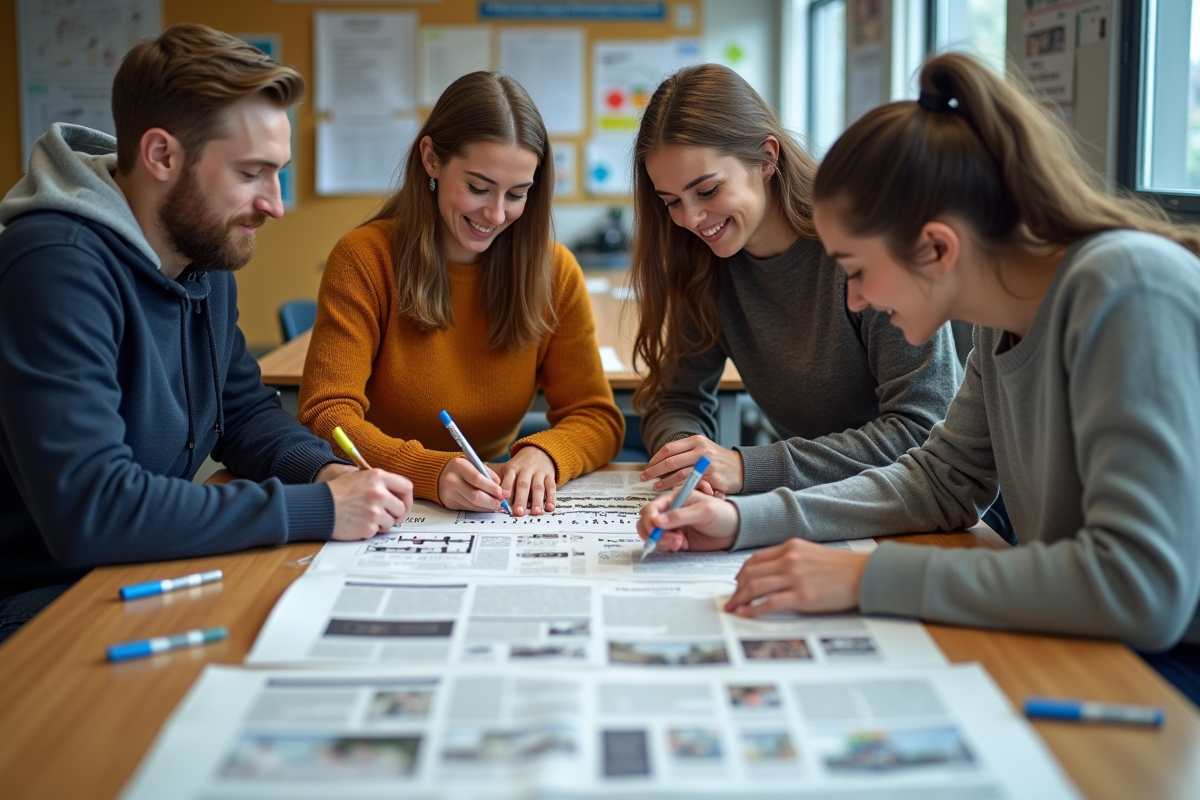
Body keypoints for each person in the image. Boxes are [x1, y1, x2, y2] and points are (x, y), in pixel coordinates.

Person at [636, 53, 1200, 702]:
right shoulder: (1001, 317)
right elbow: (942, 480)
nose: (853, 301)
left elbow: (1141, 589)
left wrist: (866, 580)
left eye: (855, 269)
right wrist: (740, 520)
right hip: (1088, 638)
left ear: (937, 247)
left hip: (1168, 666)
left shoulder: (1124, 288)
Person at [0, 24, 414, 642]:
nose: (273, 204)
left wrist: (323, 473)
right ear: (162, 156)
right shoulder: (53, 265)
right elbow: (92, 509)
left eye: (278, 173)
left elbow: (243, 412)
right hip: (43, 595)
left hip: (131, 566)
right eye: (252, 173)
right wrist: (319, 509)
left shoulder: (202, 255)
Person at [629, 63, 961, 500]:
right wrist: (691, 464)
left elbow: (923, 427)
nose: (690, 219)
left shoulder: (865, 240)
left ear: (767, 158)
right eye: (671, 201)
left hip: (922, 502)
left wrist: (751, 467)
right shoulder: (702, 262)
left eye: (707, 191)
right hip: (814, 501)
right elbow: (677, 399)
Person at [299, 72, 623, 517]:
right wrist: (428, 471)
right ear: (431, 159)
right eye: (477, 187)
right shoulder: (365, 259)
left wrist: (545, 454)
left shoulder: (554, 271)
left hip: (489, 501)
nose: (495, 213)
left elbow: (597, 417)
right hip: (382, 498)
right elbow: (327, 415)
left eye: (517, 194)